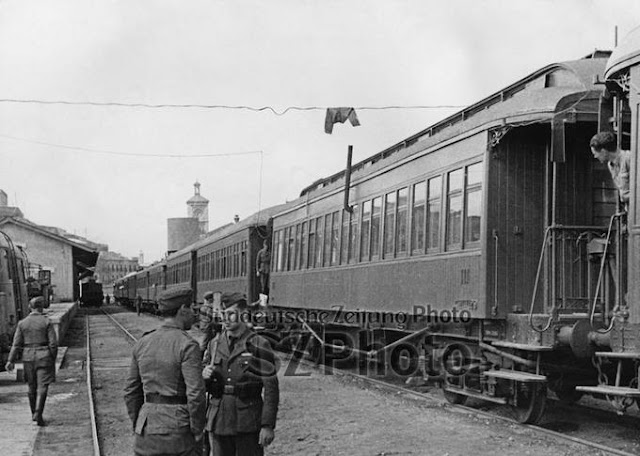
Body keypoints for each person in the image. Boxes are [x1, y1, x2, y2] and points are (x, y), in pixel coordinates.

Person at [124, 287, 206, 456]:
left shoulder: (143, 342)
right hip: (178, 430)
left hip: (146, 427)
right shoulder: (188, 345)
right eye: (190, 308)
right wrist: (198, 429)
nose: (193, 313)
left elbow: (131, 391)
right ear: (182, 310)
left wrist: (138, 422)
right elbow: (196, 393)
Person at [202, 292, 279, 456]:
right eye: (223, 314)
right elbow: (200, 382)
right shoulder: (214, 344)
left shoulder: (259, 344)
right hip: (219, 419)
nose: (225, 319)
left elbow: (271, 389)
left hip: (248, 420)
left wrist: (267, 425)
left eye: (230, 314)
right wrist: (204, 375)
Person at [5, 296, 58, 426]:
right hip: (44, 356)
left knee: (31, 387)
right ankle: (38, 413)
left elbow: (16, 344)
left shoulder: (22, 323)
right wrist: (52, 357)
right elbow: (53, 344)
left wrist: (10, 360)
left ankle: (33, 412)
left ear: (30, 307)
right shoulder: (47, 322)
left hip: (28, 357)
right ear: (41, 307)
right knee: (43, 386)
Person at [590, 131, 631, 211]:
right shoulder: (611, 165)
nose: (595, 156)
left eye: (595, 153)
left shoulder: (629, 159)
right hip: (630, 210)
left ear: (603, 151)